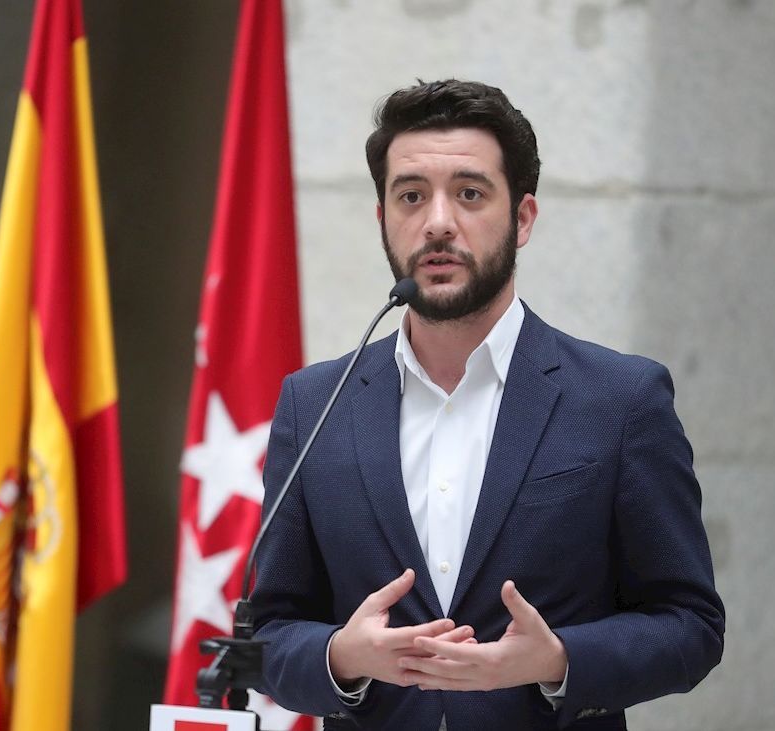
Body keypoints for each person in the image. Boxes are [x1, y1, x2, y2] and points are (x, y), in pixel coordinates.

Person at [251, 80, 724, 730]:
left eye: (470, 194)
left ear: (523, 218)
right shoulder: (315, 404)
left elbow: (691, 624)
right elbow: (268, 630)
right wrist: (341, 655)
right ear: (382, 217)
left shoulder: (621, 400)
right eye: (411, 195)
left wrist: (558, 659)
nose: (438, 221)